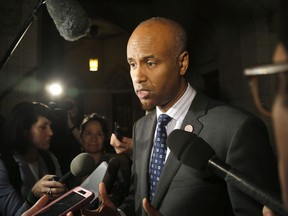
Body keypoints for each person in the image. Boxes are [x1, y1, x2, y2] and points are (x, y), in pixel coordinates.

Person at [22, 17, 281, 216]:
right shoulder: (143, 127)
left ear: (182, 63)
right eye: (132, 64)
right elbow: (142, 201)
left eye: (150, 62)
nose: (137, 76)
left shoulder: (236, 129)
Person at [0, 101, 66, 216]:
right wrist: (33, 196)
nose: (51, 132)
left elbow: (60, 205)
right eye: (43, 127)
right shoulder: (4, 165)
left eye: (50, 126)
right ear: (24, 130)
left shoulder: (49, 159)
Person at [78, 113, 131, 207]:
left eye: (99, 134)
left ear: (105, 137)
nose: (93, 139)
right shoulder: (75, 166)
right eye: (88, 133)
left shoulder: (114, 164)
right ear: (81, 137)